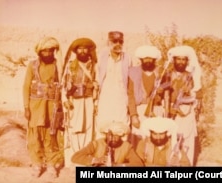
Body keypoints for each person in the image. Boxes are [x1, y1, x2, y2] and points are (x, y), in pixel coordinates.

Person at [23, 36, 64, 178]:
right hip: (35, 107)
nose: (47, 54)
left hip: (52, 107)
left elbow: (62, 85)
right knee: (35, 137)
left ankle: (52, 165)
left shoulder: (58, 66)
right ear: (39, 52)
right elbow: (26, 86)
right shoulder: (32, 65)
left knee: (51, 136)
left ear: (54, 51)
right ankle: (37, 164)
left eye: (50, 51)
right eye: (44, 51)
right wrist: (26, 107)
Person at [160, 45, 202, 166]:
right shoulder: (166, 74)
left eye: (184, 59)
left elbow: (197, 96)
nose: (181, 62)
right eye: (178, 59)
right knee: (170, 142)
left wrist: (181, 107)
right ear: (173, 60)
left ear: (187, 61)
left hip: (185, 113)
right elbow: (159, 94)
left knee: (186, 141)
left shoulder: (192, 76)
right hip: (168, 111)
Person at [61, 38, 98, 168]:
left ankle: (84, 159)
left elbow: (98, 83)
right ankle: (72, 161)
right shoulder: (70, 65)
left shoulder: (94, 66)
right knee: (73, 129)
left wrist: (96, 102)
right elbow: (63, 85)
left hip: (88, 101)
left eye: (85, 48)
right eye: (80, 49)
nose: (82, 51)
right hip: (73, 102)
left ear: (88, 50)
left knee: (88, 129)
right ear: (76, 51)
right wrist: (65, 100)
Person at [95, 31, 139, 137]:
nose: (118, 44)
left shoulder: (127, 58)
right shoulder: (101, 57)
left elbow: (130, 82)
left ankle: (120, 153)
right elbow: (96, 80)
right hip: (105, 100)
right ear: (108, 42)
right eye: (114, 41)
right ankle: (103, 153)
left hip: (121, 100)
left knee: (122, 130)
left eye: (120, 42)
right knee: (103, 129)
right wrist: (96, 101)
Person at [127, 45, 164, 146]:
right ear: (141, 59)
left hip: (156, 110)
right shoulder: (133, 72)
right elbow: (130, 95)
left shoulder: (161, 73)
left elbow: (167, 94)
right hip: (139, 110)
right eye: (145, 58)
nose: (148, 60)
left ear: (154, 59)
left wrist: (161, 92)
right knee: (138, 140)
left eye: (150, 58)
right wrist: (134, 115)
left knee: (155, 139)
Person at [71, 121, 144, 166]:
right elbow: (75, 157)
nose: (113, 139)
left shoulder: (126, 147)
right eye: (110, 135)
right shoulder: (96, 144)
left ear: (121, 136)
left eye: (116, 135)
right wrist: (95, 160)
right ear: (105, 134)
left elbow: (138, 164)